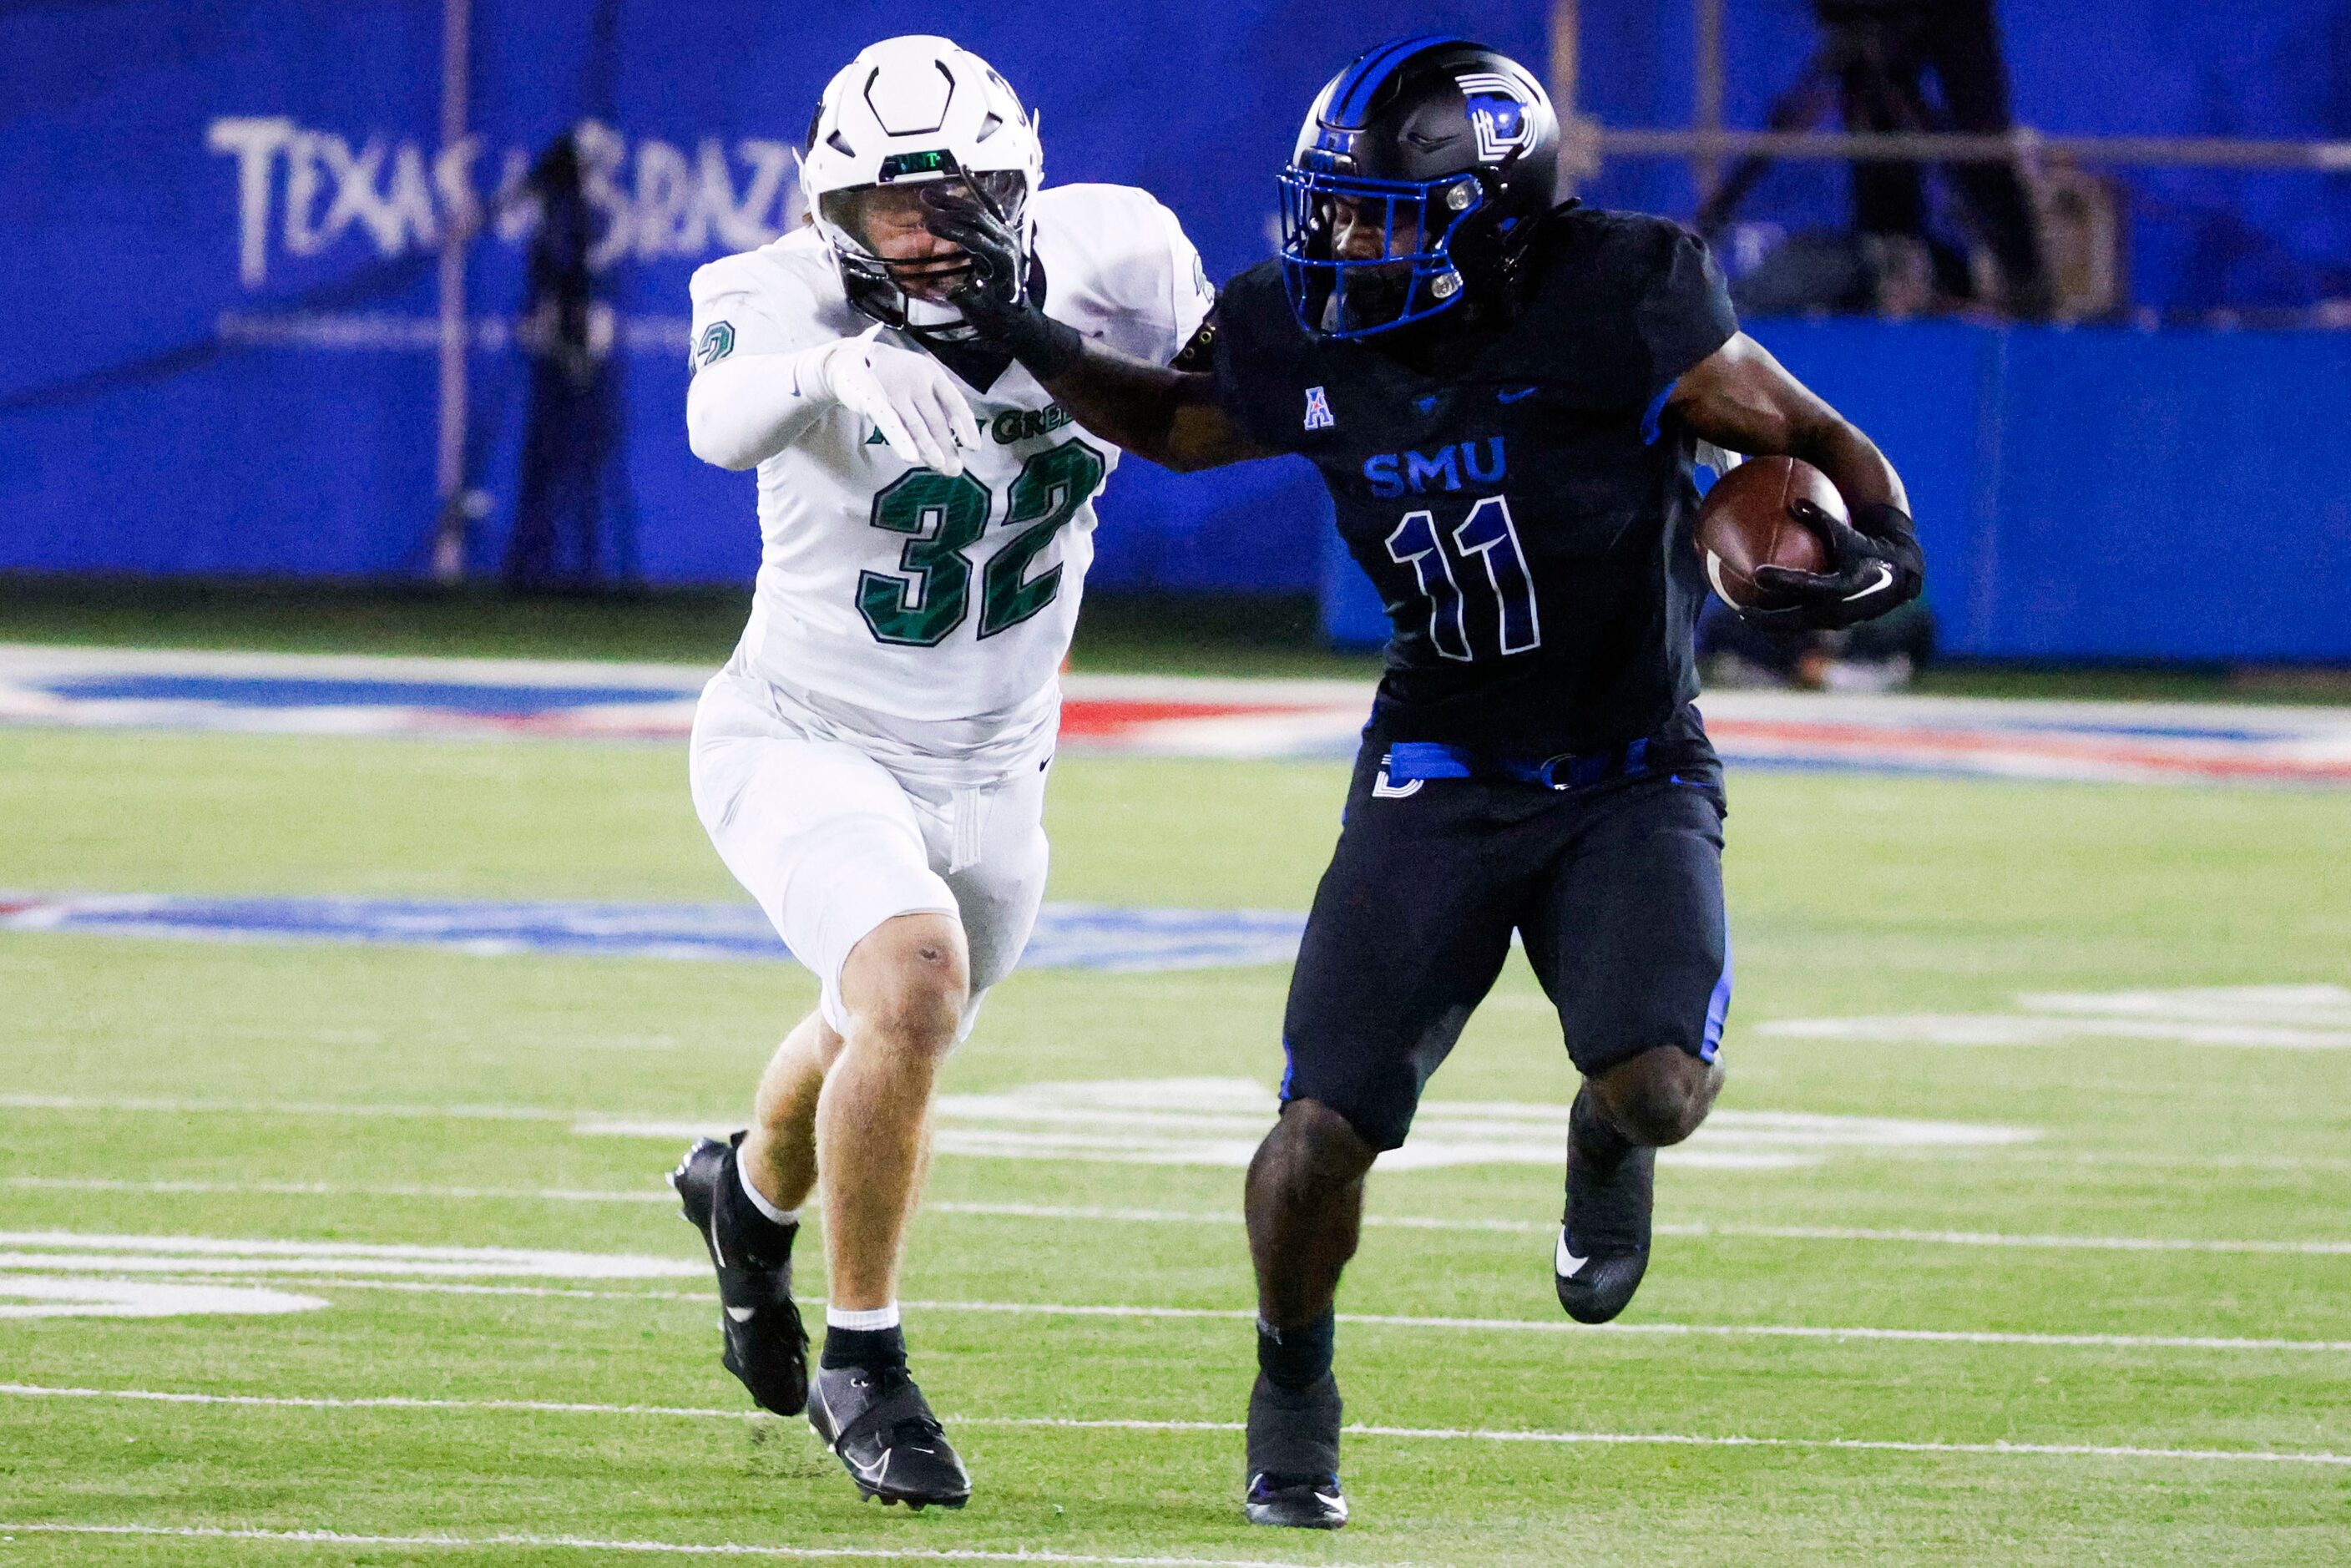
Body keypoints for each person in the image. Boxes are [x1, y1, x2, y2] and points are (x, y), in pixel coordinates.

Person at [923, 34, 1922, 1529]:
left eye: (1377, 218)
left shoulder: (1620, 296)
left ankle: (1601, 1138)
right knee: (1320, 1129)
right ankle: (1293, 1387)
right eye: (1325, 212)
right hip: (1440, 764)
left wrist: (1880, 549)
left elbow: (1808, 433)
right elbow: (1177, 428)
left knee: (1658, 1090)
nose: (1335, 247)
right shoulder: (1303, 330)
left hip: (1630, 763)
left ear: (1492, 219)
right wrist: (1029, 340)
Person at [668, 34, 1213, 1510]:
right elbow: (719, 422)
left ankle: (743, 1195)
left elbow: (1216, 412)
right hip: (804, 734)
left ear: (1019, 185)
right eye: (881, 211)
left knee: (876, 1028)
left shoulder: (1124, 252)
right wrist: (836, 365)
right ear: (825, 212)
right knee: (909, 981)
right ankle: (868, 1358)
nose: (918, 234)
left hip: (1000, 766)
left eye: (954, 197)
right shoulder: (773, 294)